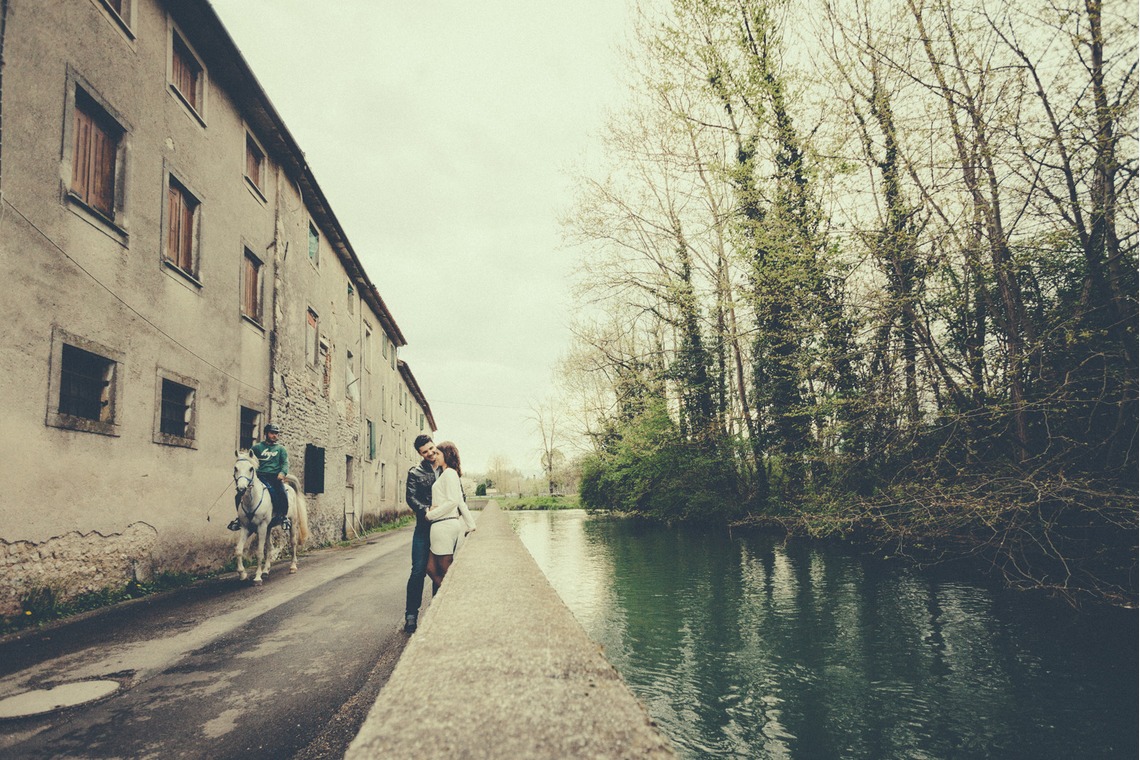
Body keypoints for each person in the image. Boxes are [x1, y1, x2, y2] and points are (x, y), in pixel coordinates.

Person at [424, 440, 476, 593]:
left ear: (446, 455)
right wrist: (471, 524)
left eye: (438, 453)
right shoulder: (448, 474)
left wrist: (430, 515)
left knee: (446, 570)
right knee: (431, 568)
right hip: (441, 526)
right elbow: (460, 501)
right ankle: (449, 596)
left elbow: (453, 502)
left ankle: (455, 597)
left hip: (444, 526)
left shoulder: (449, 473)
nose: (435, 456)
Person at [403, 434, 438, 634]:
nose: (430, 453)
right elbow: (410, 498)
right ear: (420, 454)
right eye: (425, 452)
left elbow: (458, 494)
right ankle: (411, 615)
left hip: (443, 529)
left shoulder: (445, 468)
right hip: (423, 529)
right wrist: (426, 510)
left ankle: (436, 611)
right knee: (418, 571)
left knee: (440, 571)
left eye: (432, 449)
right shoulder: (415, 472)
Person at [228, 423, 292, 532]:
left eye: (276, 433)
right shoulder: (257, 448)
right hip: (259, 477)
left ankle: (284, 517)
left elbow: (285, 463)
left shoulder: (281, 449)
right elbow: (249, 461)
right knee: (239, 495)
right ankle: (239, 519)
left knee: (282, 493)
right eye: (272, 433)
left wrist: (282, 473)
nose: (275, 435)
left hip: (275, 477)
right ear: (266, 434)